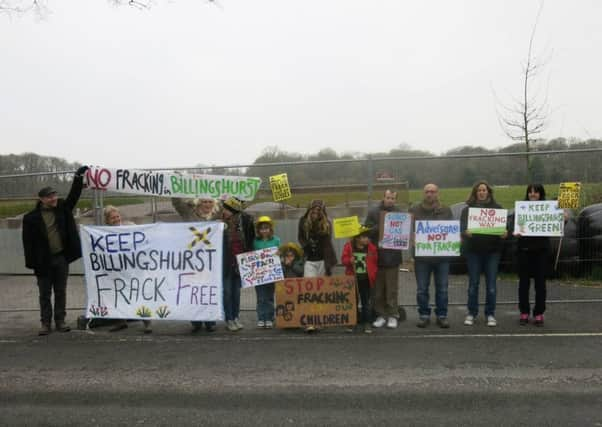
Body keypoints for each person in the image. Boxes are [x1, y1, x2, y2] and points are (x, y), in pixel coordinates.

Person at [22, 165, 89, 336]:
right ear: (41, 199)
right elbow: (27, 243)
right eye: (50, 196)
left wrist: (78, 176)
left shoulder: (63, 209)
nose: (53, 198)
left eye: (55, 195)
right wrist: (32, 264)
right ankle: (45, 323)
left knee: (61, 291)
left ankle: (60, 321)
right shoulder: (30, 218)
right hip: (42, 261)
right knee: (44, 294)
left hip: (61, 258)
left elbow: (74, 194)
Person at [460, 180, 508, 327]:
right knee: (473, 284)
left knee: (491, 286)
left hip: (492, 253)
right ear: (475, 192)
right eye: (479, 190)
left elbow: (504, 230)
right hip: (473, 252)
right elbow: (461, 228)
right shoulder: (467, 210)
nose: (481, 192)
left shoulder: (497, 208)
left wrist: (504, 234)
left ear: (488, 192)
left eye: (484, 190)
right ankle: (471, 313)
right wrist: (465, 232)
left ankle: (490, 314)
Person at [172, 196, 220, 333]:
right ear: (199, 203)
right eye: (204, 201)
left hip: (211, 260)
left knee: (209, 290)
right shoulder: (189, 214)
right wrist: (174, 185)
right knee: (193, 290)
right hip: (192, 260)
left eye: (210, 201)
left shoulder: (216, 215)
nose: (207, 204)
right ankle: (196, 320)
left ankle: (210, 320)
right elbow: (176, 202)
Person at [409, 183, 454, 328]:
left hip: (442, 257)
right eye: (427, 192)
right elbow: (407, 229)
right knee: (422, 288)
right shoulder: (414, 209)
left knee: (442, 288)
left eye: (433, 191)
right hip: (422, 258)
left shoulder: (446, 210)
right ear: (424, 193)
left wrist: (455, 238)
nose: (430, 194)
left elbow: (452, 230)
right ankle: (424, 315)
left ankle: (442, 315)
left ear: (437, 193)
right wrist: (412, 237)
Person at [103, 205, 152, 334]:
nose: (116, 219)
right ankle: (120, 321)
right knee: (116, 295)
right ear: (107, 220)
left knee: (138, 294)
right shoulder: (103, 233)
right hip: (116, 271)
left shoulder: (130, 226)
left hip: (132, 269)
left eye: (117, 216)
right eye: (112, 218)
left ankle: (147, 322)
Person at [513, 184, 551, 326]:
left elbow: (556, 226)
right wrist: (516, 231)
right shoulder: (521, 209)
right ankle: (524, 312)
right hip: (524, 251)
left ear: (541, 194)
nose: (533, 194)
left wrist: (563, 218)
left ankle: (539, 313)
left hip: (541, 251)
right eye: (530, 192)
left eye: (535, 192)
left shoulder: (548, 209)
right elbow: (517, 226)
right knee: (523, 284)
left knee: (540, 285)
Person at [366, 189, 404, 329]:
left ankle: (393, 315)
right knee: (378, 289)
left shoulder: (400, 214)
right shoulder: (373, 212)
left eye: (393, 198)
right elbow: (367, 231)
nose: (390, 200)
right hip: (377, 256)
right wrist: (381, 226)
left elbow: (404, 234)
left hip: (393, 257)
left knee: (391, 289)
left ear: (395, 199)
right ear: (383, 197)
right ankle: (380, 315)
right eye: (388, 197)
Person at [221, 196, 255, 332]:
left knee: (236, 292)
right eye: (225, 208)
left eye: (228, 209)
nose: (225, 211)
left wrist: (249, 257)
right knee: (227, 292)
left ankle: (235, 317)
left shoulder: (245, 221)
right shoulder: (220, 223)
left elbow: (250, 238)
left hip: (240, 262)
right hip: (225, 262)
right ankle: (229, 318)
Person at [341, 225, 378, 334]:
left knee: (366, 301)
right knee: (353, 301)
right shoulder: (349, 247)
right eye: (364, 237)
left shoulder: (371, 248)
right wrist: (349, 261)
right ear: (357, 238)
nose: (367, 239)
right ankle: (352, 321)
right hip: (352, 280)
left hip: (366, 280)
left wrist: (373, 274)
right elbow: (343, 260)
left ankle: (367, 322)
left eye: (368, 237)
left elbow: (375, 263)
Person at [253, 216, 281, 329]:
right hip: (258, 274)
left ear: (270, 229)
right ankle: (261, 318)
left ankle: (269, 318)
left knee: (269, 297)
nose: (264, 230)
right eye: (262, 228)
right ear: (258, 230)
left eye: (266, 228)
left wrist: (279, 254)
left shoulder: (276, 240)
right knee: (260, 298)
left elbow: (279, 254)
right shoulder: (255, 241)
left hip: (271, 274)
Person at [297, 200, 337, 277]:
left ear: (322, 211)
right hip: (309, 259)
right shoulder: (303, 221)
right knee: (309, 283)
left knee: (323, 286)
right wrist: (305, 245)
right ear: (309, 210)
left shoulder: (326, 224)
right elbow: (300, 237)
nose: (315, 211)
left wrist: (328, 265)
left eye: (318, 210)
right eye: (313, 209)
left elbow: (327, 244)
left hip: (323, 260)